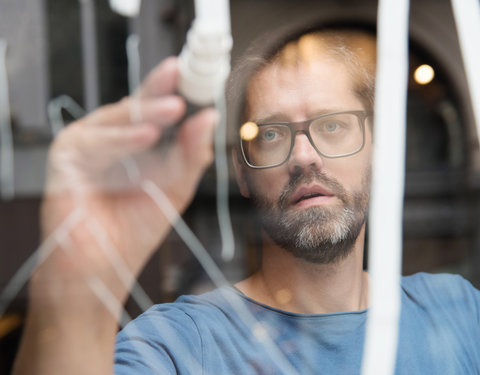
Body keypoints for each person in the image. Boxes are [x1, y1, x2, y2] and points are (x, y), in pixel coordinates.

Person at [13, 25, 480, 375]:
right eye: (272, 133)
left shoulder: (457, 313)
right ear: (242, 172)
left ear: (377, 153)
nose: (304, 157)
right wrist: (75, 281)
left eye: (332, 126)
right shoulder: (180, 347)